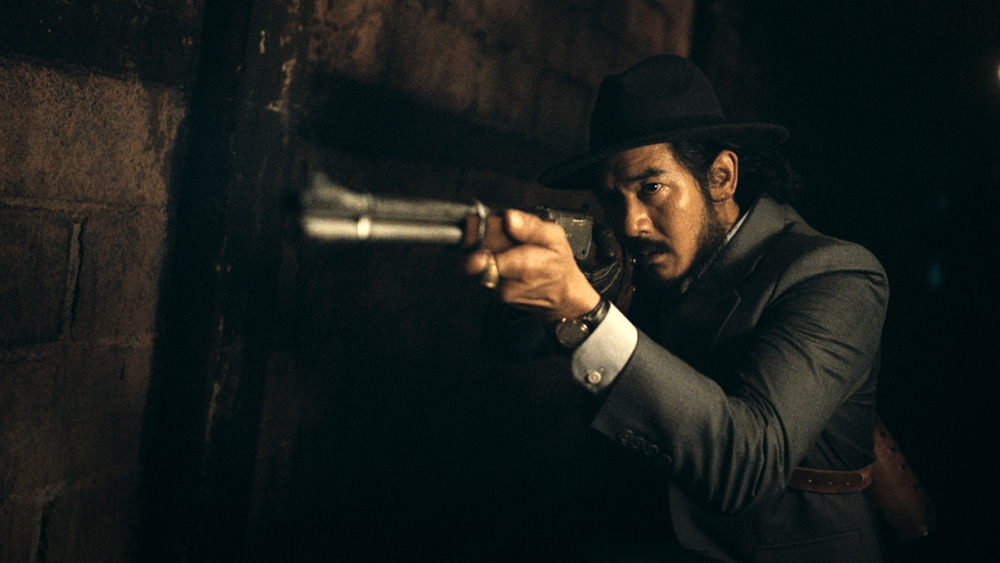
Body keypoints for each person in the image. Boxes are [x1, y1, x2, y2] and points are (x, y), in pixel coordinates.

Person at [464, 55, 889, 562]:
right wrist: (544, 270)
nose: (631, 224)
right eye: (612, 199)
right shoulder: (639, 261)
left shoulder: (835, 274)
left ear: (722, 177)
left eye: (651, 189)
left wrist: (589, 314)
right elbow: (508, 345)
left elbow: (746, 465)